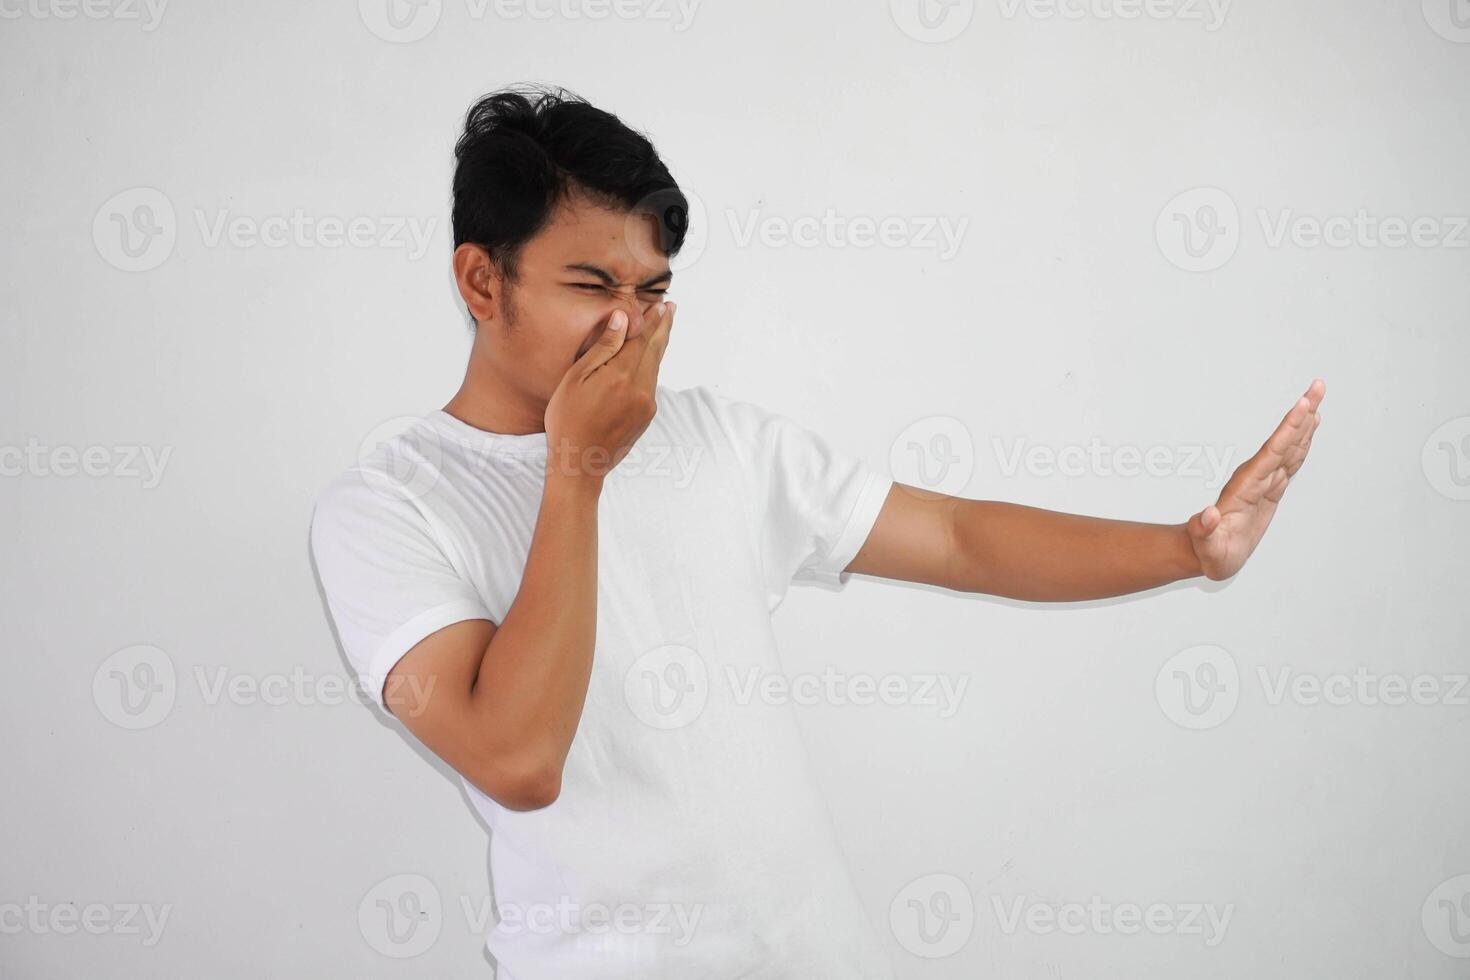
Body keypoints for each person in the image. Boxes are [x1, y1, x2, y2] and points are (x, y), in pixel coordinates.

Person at [309, 84, 1325, 979]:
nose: (628, 326)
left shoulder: (719, 438)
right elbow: (520, 758)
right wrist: (576, 469)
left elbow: (962, 538)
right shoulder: (387, 507)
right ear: (483, 282)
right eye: (591, 287)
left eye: (652, 291)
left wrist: (1188, 544)